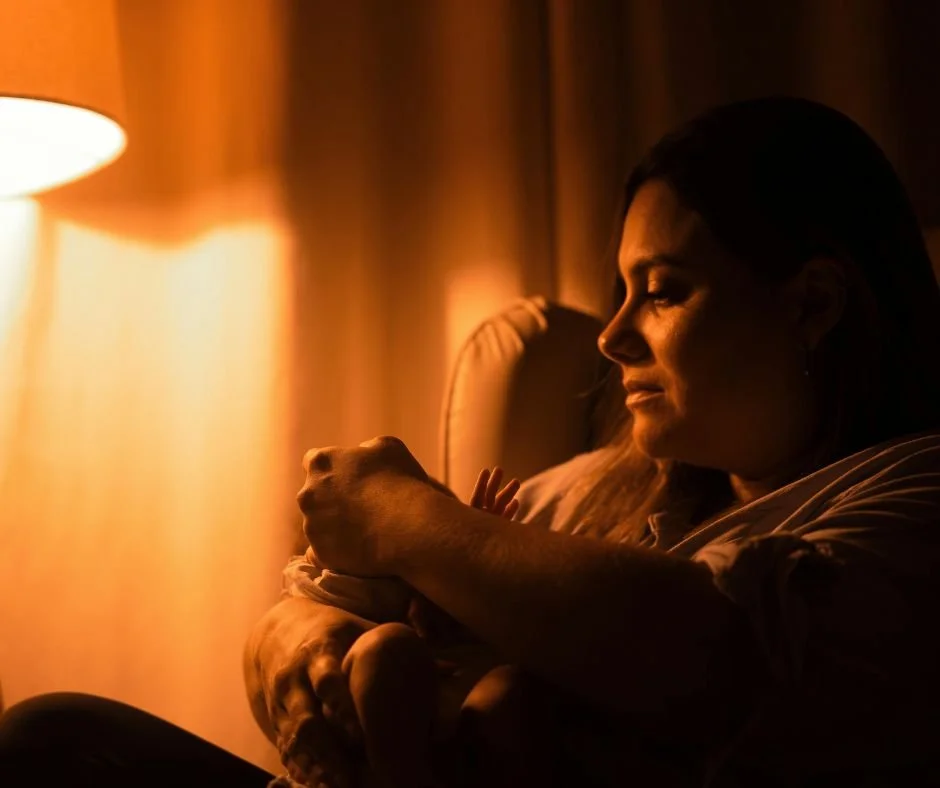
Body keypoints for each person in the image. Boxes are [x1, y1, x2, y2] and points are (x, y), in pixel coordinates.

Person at [1, 96, 939, 787]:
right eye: (619, 291)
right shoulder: (593, 491)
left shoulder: (914, 495)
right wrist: (299, 646)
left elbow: (716, 659)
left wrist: (400, 513)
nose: (613, 337)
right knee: (51, 738)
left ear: (813, 304)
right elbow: (333, 611)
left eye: (661, 290)